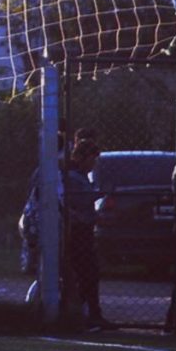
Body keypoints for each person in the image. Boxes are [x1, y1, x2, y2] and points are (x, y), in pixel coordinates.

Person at [62, 130, 114, 331]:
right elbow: (81, 201)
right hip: (77, 232)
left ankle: (87, 312)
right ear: (81, 158)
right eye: (91, 159)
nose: (94, 165)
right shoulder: (74, 177)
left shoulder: (80, 176)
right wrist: (97, 197)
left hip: (82, 230)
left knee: (88, 273)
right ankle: (88, 314)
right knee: (87, 273)